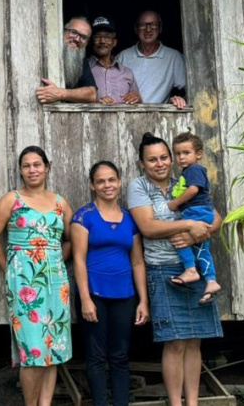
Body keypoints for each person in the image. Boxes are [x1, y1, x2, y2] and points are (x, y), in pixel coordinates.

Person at [126, 133, 223, 406]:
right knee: (176, 341)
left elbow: (214, 217)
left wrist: (198, 234)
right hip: (164, 271)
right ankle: (175, 403)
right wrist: (188, 226)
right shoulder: (139, 187)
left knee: (194, 341)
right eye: (152, 160)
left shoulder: (186, 180)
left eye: (164, 157)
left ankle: (192, 402)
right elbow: (148, 227)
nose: (160, 164)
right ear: (142, 163)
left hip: (195, 270)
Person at [0, 146, 72, 406]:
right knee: (33, 350)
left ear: (47, 167)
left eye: (37, 164)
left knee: (53, 347)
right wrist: (10, 268)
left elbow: (71, 239)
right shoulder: (12, 200)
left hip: (56, 283)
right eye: (26, 165)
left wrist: (55, 260)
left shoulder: (60, 202)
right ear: (21, 171)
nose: (32, 170)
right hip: (24, 284)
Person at [71, 161, 149, 406]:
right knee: (96, 356)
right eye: (101, 181)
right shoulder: (84, 217)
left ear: (119, 182)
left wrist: (143, 301)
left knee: (120, 356)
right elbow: (78, 259)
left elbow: (138, 262)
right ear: (93, 186)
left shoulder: (130, 219)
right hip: (94, 294)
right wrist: (85, 298)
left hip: (125, 295)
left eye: (111, 179)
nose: (107, 185)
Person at [168, 132, 221, 304]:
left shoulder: (193, 170)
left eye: (186, 153)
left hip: (196, 211)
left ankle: (190, 270)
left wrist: (175, 203)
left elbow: (193, 190)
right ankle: (211, 281)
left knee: (178, 236)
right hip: (202, 211)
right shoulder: (190, 171)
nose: (181, 157)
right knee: (202, 249)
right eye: (178, 154)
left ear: (198, 154)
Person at [116, 11, 187, 107]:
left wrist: (180, 100)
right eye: (143, 25)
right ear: (136, 29)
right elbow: (112, 90)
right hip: (128, 113)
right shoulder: (123, 57)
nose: (148, 29)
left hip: (159, 115)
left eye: (153, 25)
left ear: (160, 28)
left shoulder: (174, 57)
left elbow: (193, 89)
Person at [37, 17, 98, 105]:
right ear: (62, 31)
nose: (77, 39)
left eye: (83, 37)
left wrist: (61, 93)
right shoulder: (44, 52)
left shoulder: (81, 60)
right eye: (74, 32)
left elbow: (91, 95)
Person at [87, 17, 141, 105]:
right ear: (90, 41)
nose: (102, 41)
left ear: (114, 42)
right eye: (97, 36)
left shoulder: (127, 72)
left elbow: (139, 105)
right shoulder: (83, 70)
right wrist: (96, 102)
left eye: (107, 37)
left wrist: (138, 99)